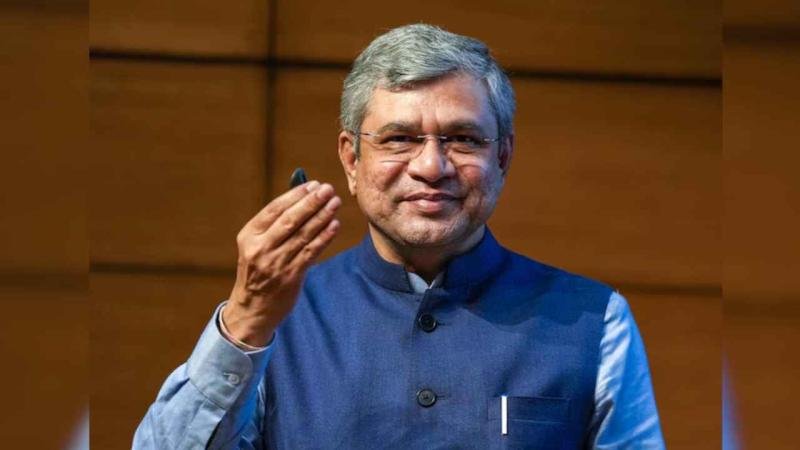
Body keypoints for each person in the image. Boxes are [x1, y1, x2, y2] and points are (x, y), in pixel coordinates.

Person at [133, 24, 664, 449]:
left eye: (462, 138)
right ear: (351, 159)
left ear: (502, 157)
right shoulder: (277, 319)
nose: (431, 167)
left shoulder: (594, 320)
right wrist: (246, 322)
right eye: (400, 139)